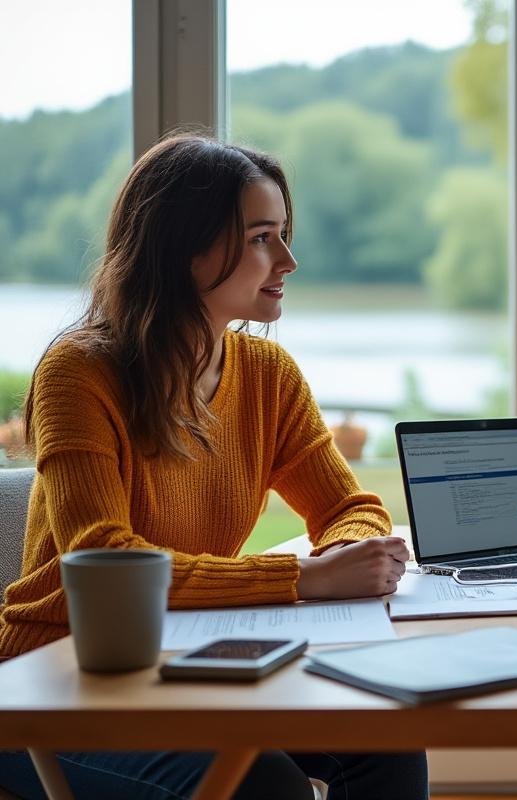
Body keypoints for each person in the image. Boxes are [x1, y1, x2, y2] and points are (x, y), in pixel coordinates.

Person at [0, 134, 428, 798]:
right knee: (264, 788)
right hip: (55, 684)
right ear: (187, 250)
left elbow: (351, 509)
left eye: (282, 234)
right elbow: (106, 558)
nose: (288, 259)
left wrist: (352, 556)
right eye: (262, 237)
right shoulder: (78, 374)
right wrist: (304, 577)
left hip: (194, 666)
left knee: (388, 742)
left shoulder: (267, 374)